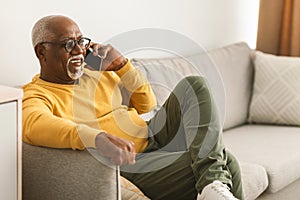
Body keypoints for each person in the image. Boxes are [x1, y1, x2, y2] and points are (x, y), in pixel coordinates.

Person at [22, 15, 244, 200]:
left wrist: (121, 65)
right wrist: (96, 137)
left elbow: (147, 103)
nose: (79, 51)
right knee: (227, 163)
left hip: (154, 136)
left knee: (195, 85)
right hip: (131, 162)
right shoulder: (37, 94)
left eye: (81, 42)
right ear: (41, 52)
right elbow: (34, 125)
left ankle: (213, 184)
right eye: (68, 45)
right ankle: (213, 183)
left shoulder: (97, 74)